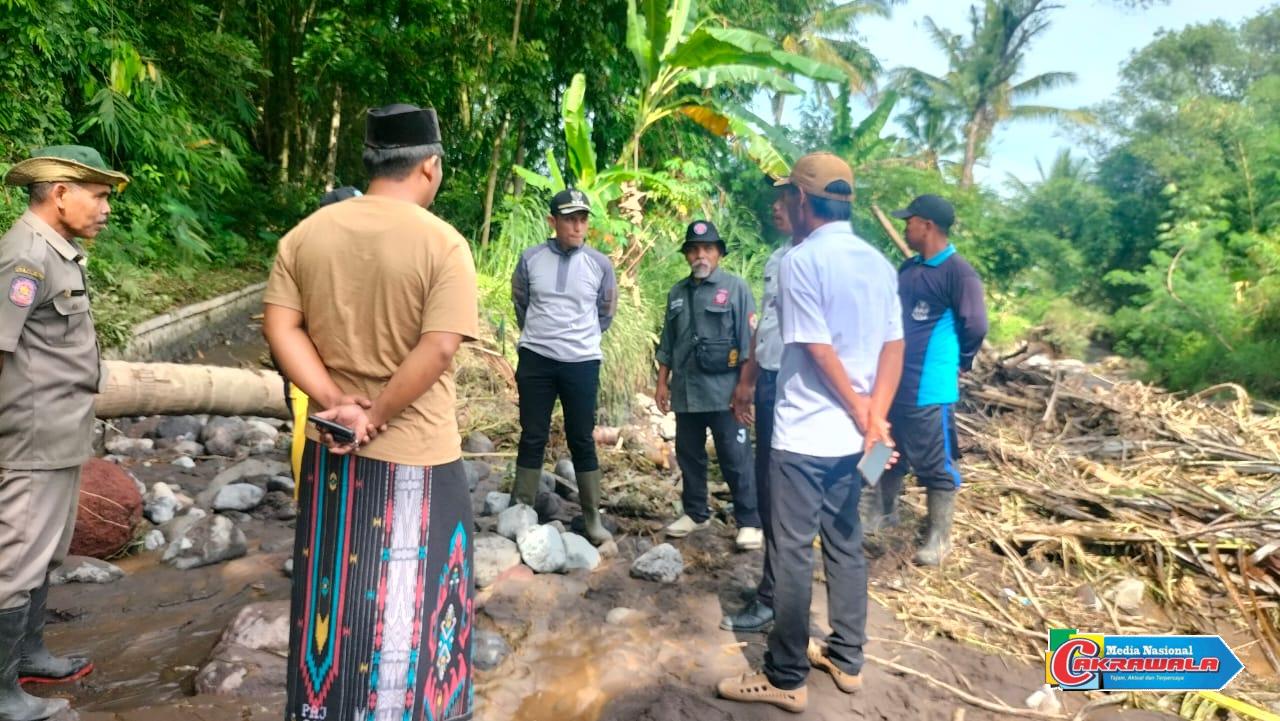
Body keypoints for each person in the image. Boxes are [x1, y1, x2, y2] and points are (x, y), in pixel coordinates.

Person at [263, 103, 479, 721]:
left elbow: (281, 328)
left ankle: (321, 709)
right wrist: (376, 414)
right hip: (417, 454)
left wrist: (335, 402)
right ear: (429, 167)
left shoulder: (305, 235)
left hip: (331, 453)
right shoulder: (443, 243)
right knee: (420, 601)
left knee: (332, 596)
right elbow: (439, 347)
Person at [718, 153, 904, 713]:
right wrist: (875, 418)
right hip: (856, 443)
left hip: (804, 436)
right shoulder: (879, 263)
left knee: (793, 551)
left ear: (802, 200)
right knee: (845, 540)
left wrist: (862, 414)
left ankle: (785, 675)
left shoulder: (801, 261)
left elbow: (817, 349)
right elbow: (894, 346)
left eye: (787, 197)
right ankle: (847, 658)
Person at [0, 145, 128, 720]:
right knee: (15, 562)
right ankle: (3, 695)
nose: (105, 208)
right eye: (97, 196)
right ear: (59, 193)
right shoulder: (26, 257)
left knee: (45, 552)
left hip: (58, 432)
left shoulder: (56, 251)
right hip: (31, 437)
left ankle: (28, 655)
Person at [870, 194, 988, 567]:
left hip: (929, 386)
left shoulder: (958, 272)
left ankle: (940, 538)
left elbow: (976, 324)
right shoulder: (909, 268)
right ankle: (879, 512)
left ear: (928, 225)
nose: (905, 227)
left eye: (910, 221)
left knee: (937, 461)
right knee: (882, 447)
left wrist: (962, 361)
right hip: (893, 382)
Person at [510, 188, 618, 545]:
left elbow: (605, 312)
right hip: (536, 358)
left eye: (583, 219)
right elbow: (521, 302)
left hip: (581, 362)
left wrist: (577, 340)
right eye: (570, 219)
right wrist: (543, 336)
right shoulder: (530, 259)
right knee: (533, 433)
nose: (578, 226)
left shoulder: (599, 265)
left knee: (582, 437)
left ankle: (591, 518)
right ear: (552, 221)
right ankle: (521, 508)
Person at [720, 188, 803, 632]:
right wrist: (748, 381)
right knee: (770, 488)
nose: (775, 206)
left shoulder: (824, 262)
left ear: (807, 203)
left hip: (802, 391)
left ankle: (780, 600)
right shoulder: (777, 258)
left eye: (785, 199)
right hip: (771, 382)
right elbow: (765, 327)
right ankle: (774, 591)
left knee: (792, 497)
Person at [655, 220, 762, 551]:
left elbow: (749, 342)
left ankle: (749, 522)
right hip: (687, 392)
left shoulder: (736, 288)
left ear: (718, 254)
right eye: (694, 250)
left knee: (735, 457)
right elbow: (668, 343)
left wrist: (744, 390)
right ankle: (695, 513)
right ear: (687, 255)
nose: (700, 255)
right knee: (689, 455)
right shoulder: (677, 293)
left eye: (707, 249)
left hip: (724, 393)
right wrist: (662, 384)